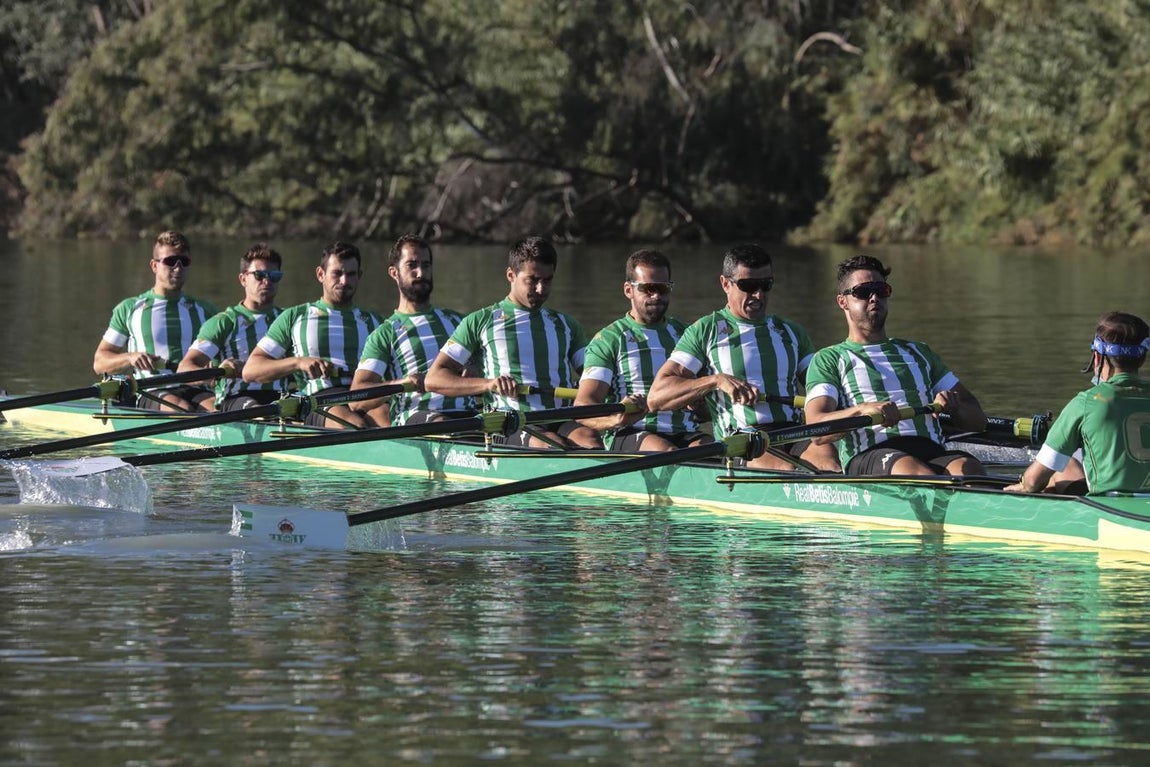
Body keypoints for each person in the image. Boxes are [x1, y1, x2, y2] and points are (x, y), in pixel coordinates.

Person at [647, 243, 838, 471]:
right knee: (788, 470)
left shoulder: (791, 331)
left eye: (765, 285)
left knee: (829, 461)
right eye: (748, 285)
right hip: (742, 440)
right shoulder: (706, 331)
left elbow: (823, 387)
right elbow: (656, 397)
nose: (758, 294)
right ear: (725, 284)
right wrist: (715, 381)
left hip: (794, 432)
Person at [803, 255, 987, 476]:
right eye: (863, 292)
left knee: (972, 471)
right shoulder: (830, 358)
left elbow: (978, 421)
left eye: (881, 290)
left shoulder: (919, 352)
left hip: (929, 450)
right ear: (842, 301)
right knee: (916, 472)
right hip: (871, 453)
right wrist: (863, 409)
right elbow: (816, 428)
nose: (874, 298)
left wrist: (955, 406)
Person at [424, 236, 600, 448]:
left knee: (590, 440)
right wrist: (489, 384)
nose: (541, 289)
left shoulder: (566, 324)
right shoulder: (481, 321)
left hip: (560, 416)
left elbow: (593, 374)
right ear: (511, 275)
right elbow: (434, 379)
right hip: (509, 421)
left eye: (547, 280)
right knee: (551, 445)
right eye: (532, 280)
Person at [573, 248, 708, 451]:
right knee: (668, 453)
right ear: (628, 290)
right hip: (630, 431)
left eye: (662, 288)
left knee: (713, 450)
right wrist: (617, 418)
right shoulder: (609, 339)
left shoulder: (686, 334)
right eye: (648, 288)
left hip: (684, 431)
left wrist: (700, 405)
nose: (656, 296)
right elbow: (583, 407)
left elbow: (707, 413)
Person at [1006, 312, 1150, 495]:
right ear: (1142, 358)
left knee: (1061, 468)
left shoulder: (1086, 402)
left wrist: (1023, 485)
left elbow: (1032, 482)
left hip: (1108, 511)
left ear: (1097, 357)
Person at [243, 241, 383, 428]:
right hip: (319, 399)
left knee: (391, 424)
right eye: (337, 273)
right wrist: (298, 362)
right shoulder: (295, 317)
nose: (344, 281)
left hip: (365, 395)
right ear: (320, 274)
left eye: (351, 274)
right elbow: (251, 370)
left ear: (359, 276)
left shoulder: (375, 321)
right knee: (354, 425)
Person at [349, 235, 472, 426]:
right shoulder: (385, 334)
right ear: (394, 272)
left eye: (426, 265)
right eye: (411, 265)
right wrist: (400, 385)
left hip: (468, 414)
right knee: (443, 423)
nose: (421, 273)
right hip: (417, 417)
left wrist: (474, 369)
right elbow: (356, 400)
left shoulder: (458, 321)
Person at [93, 230, 218, 412]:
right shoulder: (130, 309)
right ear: (154, 266)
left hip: (196, 388)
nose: (177, 268)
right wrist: (130, 357)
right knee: (181, 409)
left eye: (184, 262)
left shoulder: (205, 310)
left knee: (218, 410)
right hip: (151, 389)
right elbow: (100, 362)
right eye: (170, 262)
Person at [177, 243, 288, 411]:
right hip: (238, 399)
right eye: (259, 275)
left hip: (280, 398)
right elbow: (184, 369)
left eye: (274, 275)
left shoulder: (288, 318)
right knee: (257, 410)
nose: (267, 281)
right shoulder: (224, 322)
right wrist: (216, 373)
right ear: (243, 279)